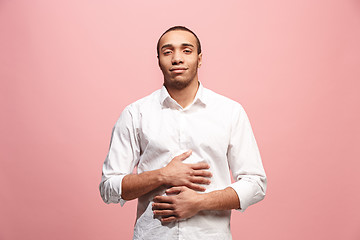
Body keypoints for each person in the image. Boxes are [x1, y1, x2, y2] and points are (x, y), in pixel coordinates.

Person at [99, 26, 267, 240]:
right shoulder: (135, 114)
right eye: (167, 52)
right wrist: (162, 175)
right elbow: (108, 187)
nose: (177, 58)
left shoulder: (230, 111)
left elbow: (255, 183)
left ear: (199, 58)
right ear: (158, 59)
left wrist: (199, 202)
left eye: (186, 50)